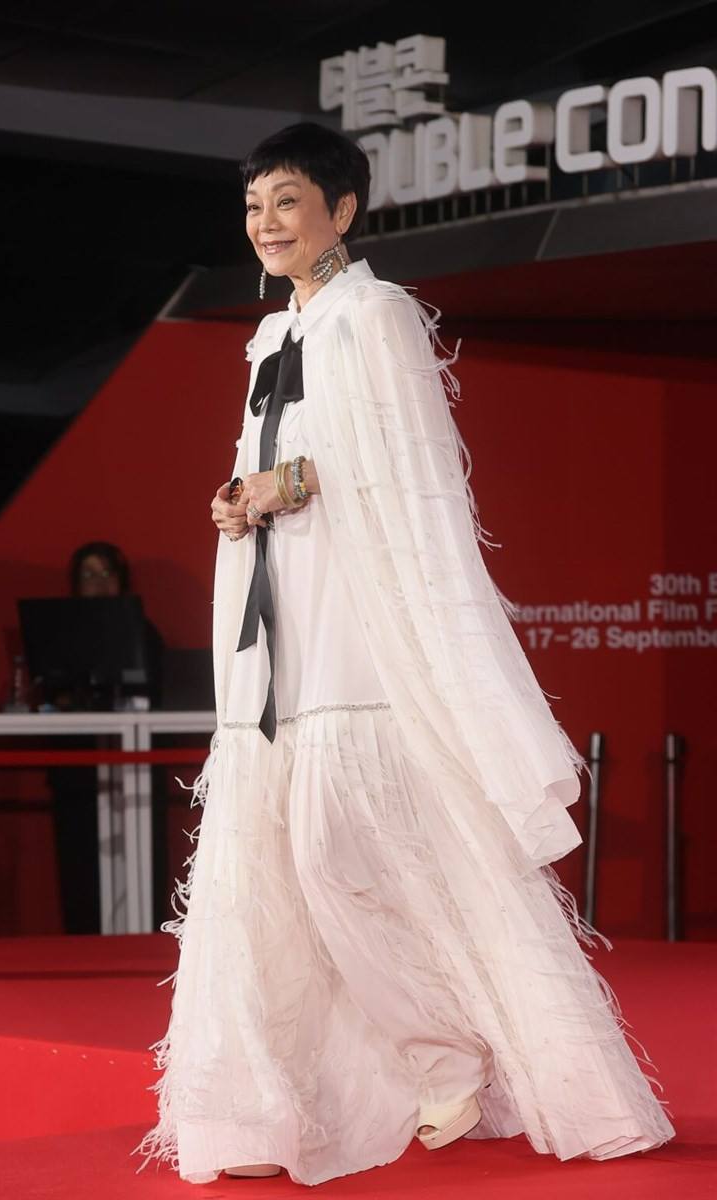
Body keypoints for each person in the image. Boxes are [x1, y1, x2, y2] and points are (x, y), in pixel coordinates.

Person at [135, 123, 674, 1185]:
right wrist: (237, 501)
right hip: (276, 630)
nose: (265, 224)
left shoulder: (374, 317)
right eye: (252, 207)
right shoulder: (269, 337)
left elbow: (405, 471)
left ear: (341, 211)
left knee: (339, 851)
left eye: (286, 202)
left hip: (355, 632)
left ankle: (450, 1053)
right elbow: (282, 462)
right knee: (285, 868)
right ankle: (329, 1085)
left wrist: (281, 486)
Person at [48, 541, 166, 933]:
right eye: (87, 575)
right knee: (79, 861)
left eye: (105, 574)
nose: (96, 584)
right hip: (79, 771)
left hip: (136, 768)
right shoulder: (60, 633)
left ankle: (145, 931)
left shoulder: (142, 631)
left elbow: (155, 690)